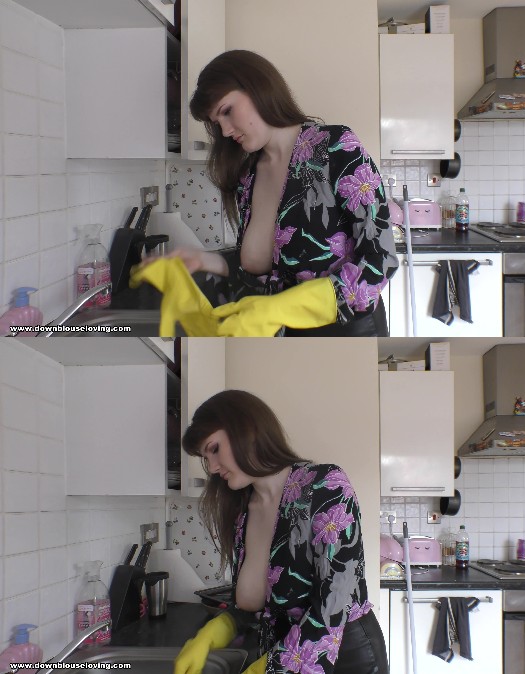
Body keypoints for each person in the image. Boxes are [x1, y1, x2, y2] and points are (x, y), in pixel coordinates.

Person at [169, 50, 398, 336]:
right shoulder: (247, 176)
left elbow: (380, 259)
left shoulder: (335, 147)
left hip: (343, 332)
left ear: (257, 87)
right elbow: (265, 268)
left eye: (227, 111)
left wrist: (283, 307)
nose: (225, 131)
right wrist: (203, 261)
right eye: (216, 123)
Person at [175, 390, 387, 674]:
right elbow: (262, 604)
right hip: (279, 659)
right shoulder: (242, 512)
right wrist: (219, 628)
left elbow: (335, 603)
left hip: (346, 660)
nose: (212, 468)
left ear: (247, 429)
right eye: (205, 457)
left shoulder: (325, 486)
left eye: (214, 449)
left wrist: (269, 669)